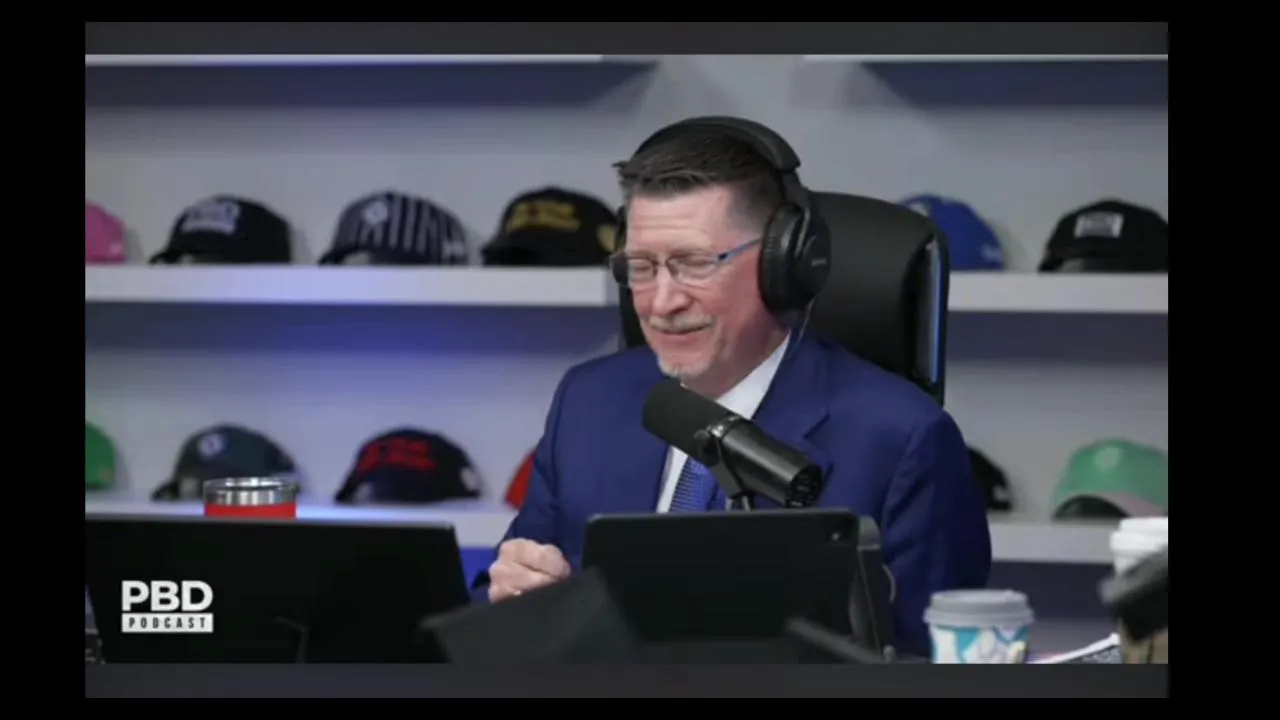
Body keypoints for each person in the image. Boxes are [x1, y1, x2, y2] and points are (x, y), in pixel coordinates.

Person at [478, 119, 992, 656]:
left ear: (782, 264)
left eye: (694, 264)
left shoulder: (903, 438)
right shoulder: (588, 400)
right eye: (642, 267)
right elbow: (497, 599)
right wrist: (516, 596)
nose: (661, 303)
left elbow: (937, 662)